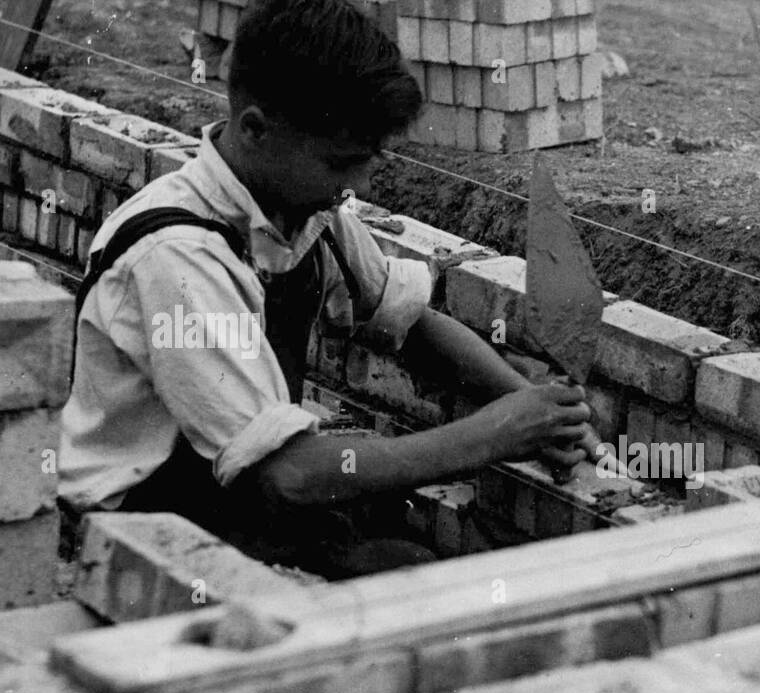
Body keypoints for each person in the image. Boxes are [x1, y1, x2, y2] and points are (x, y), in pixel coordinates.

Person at [58, 0, 596, 579]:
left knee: (404, 561)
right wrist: (496, 433)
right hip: (138, 531)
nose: (358, 184)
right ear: (256, 130)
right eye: (342, 162)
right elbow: (289, 474)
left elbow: (408, 323)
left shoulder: (304, 205)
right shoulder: (177, 258)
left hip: (233, 499)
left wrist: (543, 410)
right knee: (406, 581)